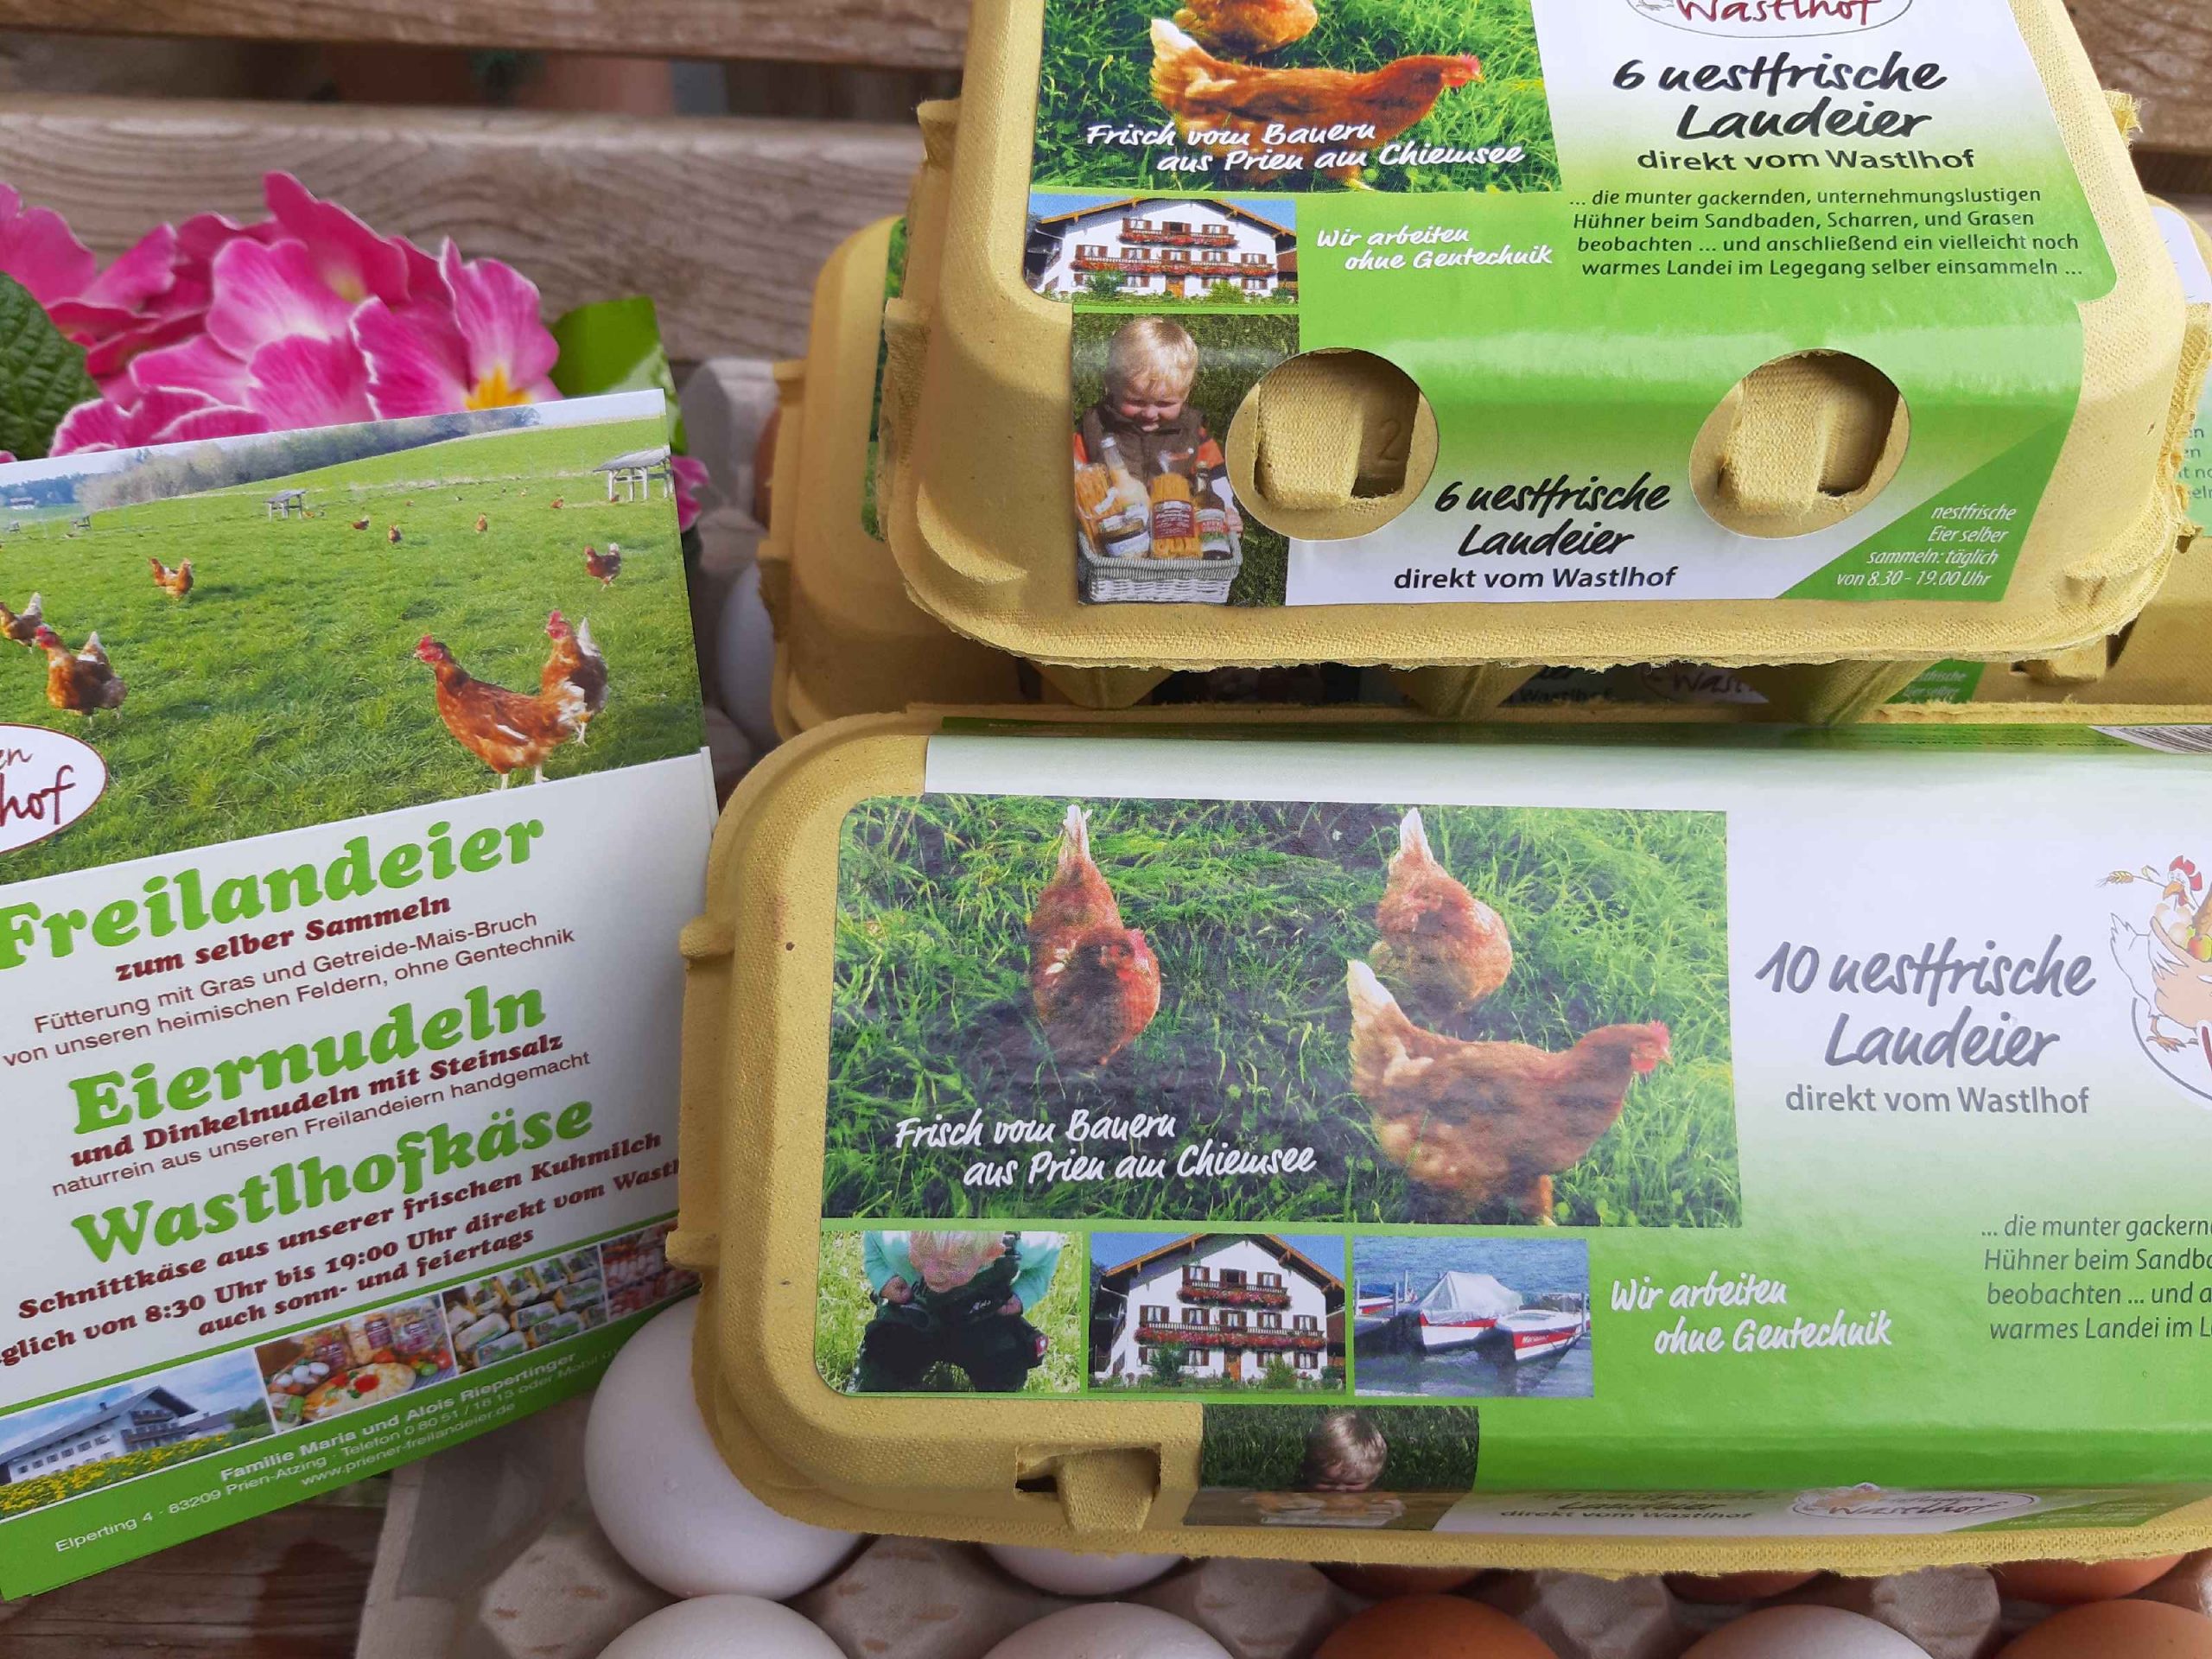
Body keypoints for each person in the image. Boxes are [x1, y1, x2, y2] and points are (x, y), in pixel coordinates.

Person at [1075, 318, 1243, 532]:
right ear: (1111, 385)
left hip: (1178, 528)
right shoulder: (1094, 429)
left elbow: (1215, 475)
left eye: (1165, 404)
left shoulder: (1191, 433)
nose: (1150, 414)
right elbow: (1071, 475)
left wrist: (1227, 508)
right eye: (1136, 401)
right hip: (1116, 531)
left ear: (1186, 394)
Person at [851, 1231, 1062, 1393]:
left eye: (949, 1264)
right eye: (921, 1255)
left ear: (991, 1254)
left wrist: (1022, 1296)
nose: (932, 1273)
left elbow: (1051, 1253)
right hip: (914, 1316)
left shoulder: (1022, 1247)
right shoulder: (896, 1241)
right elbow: (871, 1235)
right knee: (883, 1356)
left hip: (981, 1321)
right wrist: (884, 1280)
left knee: (1006, 1365)